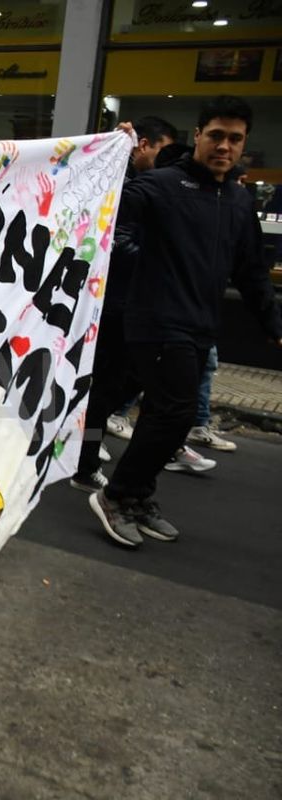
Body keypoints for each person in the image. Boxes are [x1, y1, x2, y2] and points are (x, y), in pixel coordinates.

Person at [90, 96, 282, 548]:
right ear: (198, 136)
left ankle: (137, 496)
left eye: (234, 139)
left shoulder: (238, 201)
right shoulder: (160, 185)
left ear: (244, 144)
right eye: (216, 136)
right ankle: (114, 495)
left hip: (200, 324)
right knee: (176, 414)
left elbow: (252, 271)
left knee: (166, 416)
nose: (224, 146)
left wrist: (273, 324)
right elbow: (106, 210)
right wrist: (114, 158)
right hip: (154, 320)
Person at [70, 116, 178, 493]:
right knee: (104, 389)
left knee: (113, 388)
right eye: (162, 151)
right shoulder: (129, 188)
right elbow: (118, 240)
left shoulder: (153, 188)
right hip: (116, 308)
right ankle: (84, 459)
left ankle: (83, 443)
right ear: (143, 146)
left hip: (133, 308)